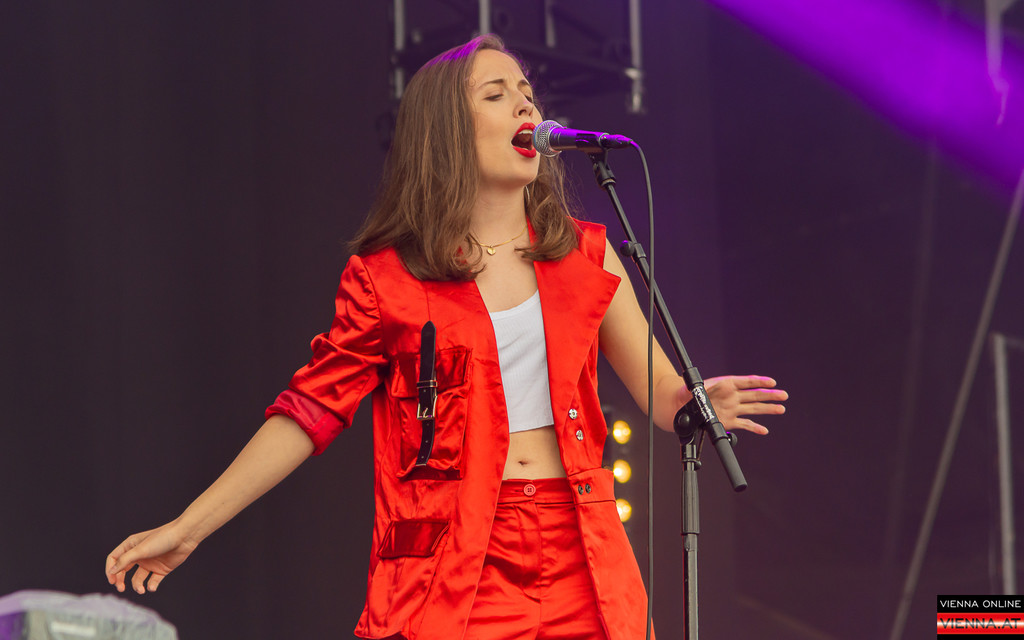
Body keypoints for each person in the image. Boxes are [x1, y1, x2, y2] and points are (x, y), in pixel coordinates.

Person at [104, 34, 787, 640]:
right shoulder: (388, 279)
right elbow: (309, 412)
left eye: (527, 92)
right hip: (458, 561)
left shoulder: (585, 253)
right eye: (496, 94)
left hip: (583, 550)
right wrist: (189, 527)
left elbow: (660, 390)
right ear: (448, 132)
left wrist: (696, 399)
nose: (525, 104)